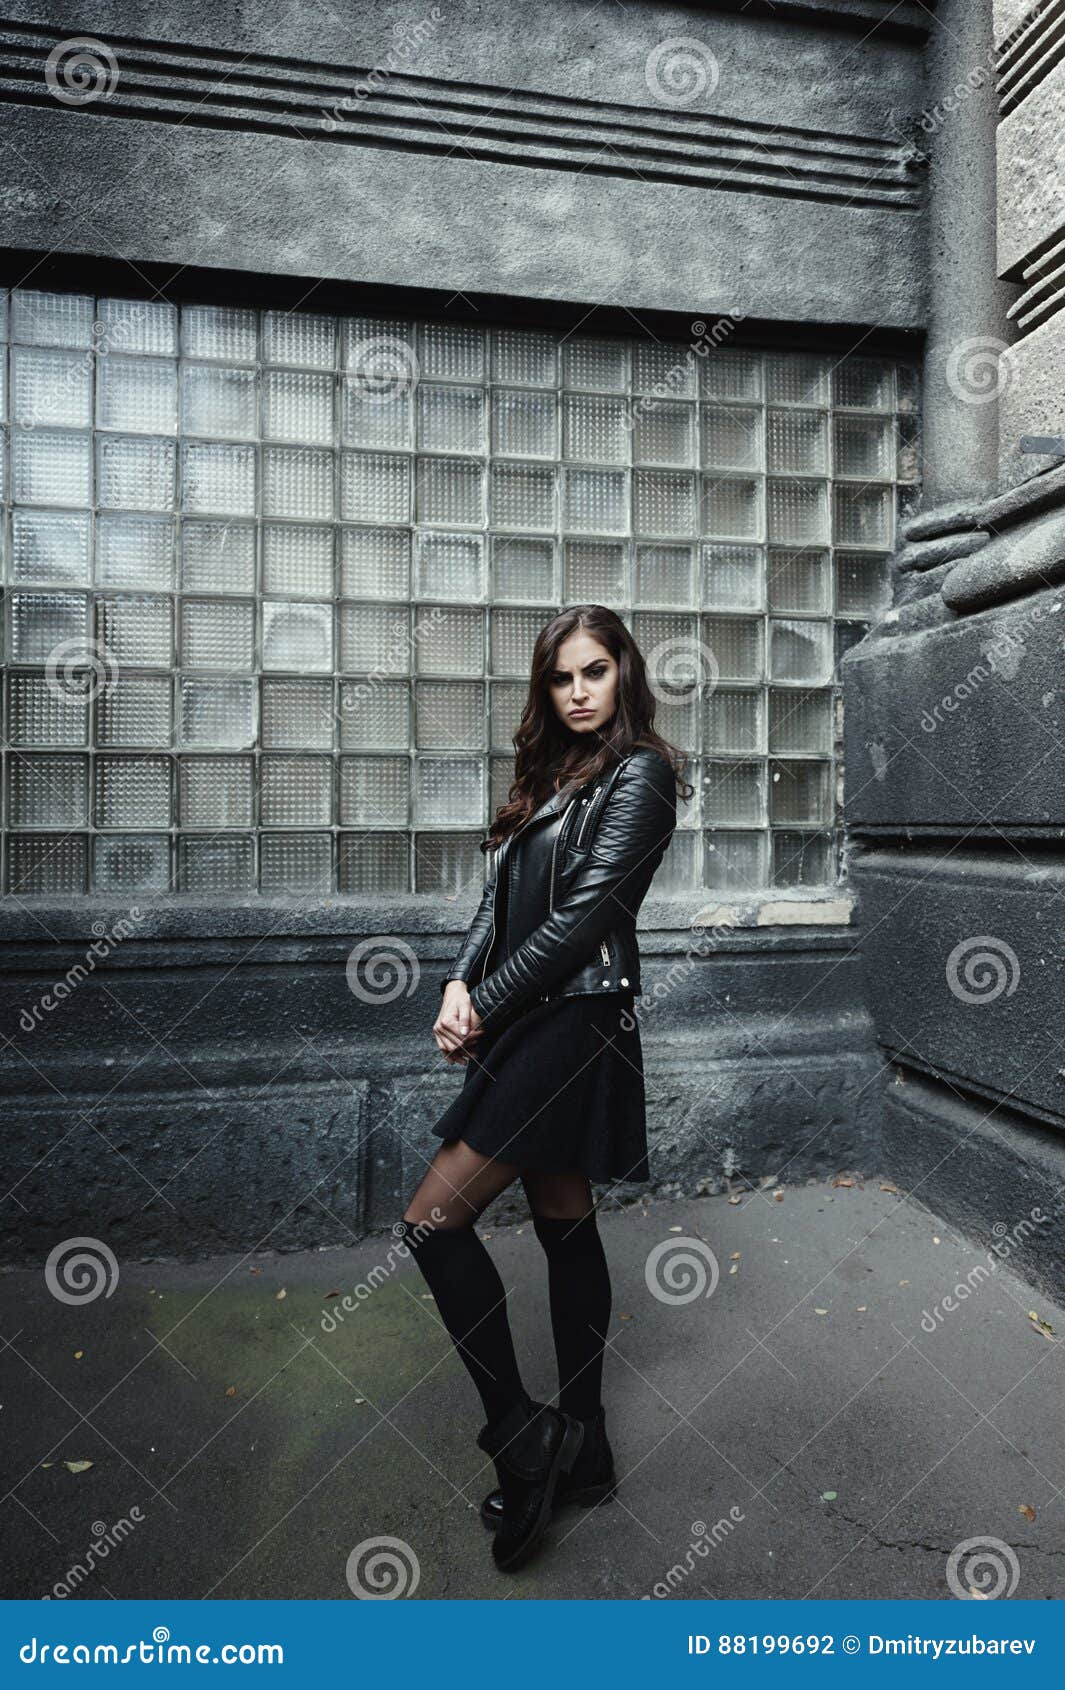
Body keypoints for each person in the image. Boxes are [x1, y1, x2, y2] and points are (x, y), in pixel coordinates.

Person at [396, 603, 691, 1574]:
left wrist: (482, 1006)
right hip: (531, 1015)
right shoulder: (552, 773)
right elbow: (500, 898)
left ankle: (526, 1437)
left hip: (576, 1021)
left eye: (594, 671)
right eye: (561, 676)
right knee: (564, 1216)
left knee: (433, 1221)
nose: (576, 691)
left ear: (624, 675)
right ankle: (588, 1445)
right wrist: (456, 977)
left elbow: (579, 923)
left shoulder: (642, 776)